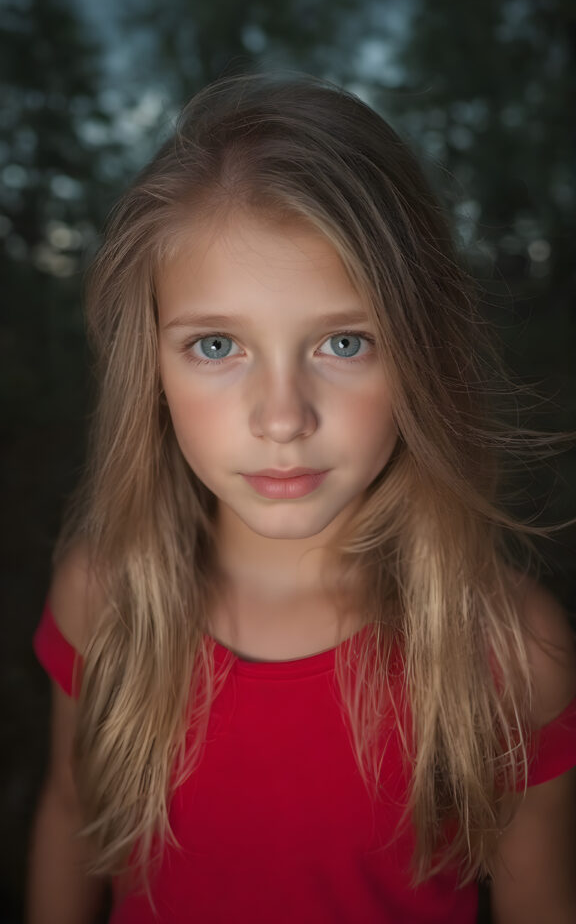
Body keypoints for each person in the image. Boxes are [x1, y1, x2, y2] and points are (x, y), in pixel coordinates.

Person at [27, 73, 576, 924]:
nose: (283, 418)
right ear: (152, 368)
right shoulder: (105, 597)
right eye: (217, 345)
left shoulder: (508, 651)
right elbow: (71, 813)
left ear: (423, 353)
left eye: (344, 343)